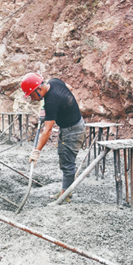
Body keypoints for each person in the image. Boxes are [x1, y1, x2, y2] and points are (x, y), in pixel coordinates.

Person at [21, 73, 85, 202]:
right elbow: (69, 88)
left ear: (39, 89)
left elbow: (47, 130)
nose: (32, 99)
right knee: (66, 160)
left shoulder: (51, 102)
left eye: (32, 95)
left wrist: (36, 151)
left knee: (67, 162)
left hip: (72, 131)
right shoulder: (54, 82)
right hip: (76, 124)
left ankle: (65, 196)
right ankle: (66, 191)